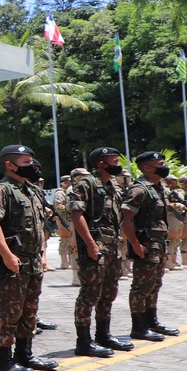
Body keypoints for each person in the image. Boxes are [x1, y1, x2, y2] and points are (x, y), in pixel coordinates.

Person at [0, 145, 59, 371]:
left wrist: (43, 253)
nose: (32, 166)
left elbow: (39, 226)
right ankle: (3, 359)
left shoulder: (32, 190)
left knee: (29, 309)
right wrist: (6, 254)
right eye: (25, 162)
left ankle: (25, 354)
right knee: (8, 310)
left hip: (32, 259)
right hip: (12, 260)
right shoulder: (1, 190)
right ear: (10, 165)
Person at [69, 148, 133, 358]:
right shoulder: (86, 183)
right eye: (114, 161)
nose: (118, 164)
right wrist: (90, 244)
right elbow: (77, 214)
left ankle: (103, 335)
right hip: (95, 247)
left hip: (112, 248)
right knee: (89, 295)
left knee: (108, 293)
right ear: (101, 163)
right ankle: (84, 341)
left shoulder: (111, 186)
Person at [122, 152, 184, 338]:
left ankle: (152, 322)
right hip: (146, 244)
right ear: (148, 168)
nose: (164, 166)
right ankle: (139, 327)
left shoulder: (158, 188)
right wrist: (135, 244)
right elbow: (126, 220)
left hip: (159, 243)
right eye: (160, 163)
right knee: (141, 286)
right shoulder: (139, 190)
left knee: (155, 284)